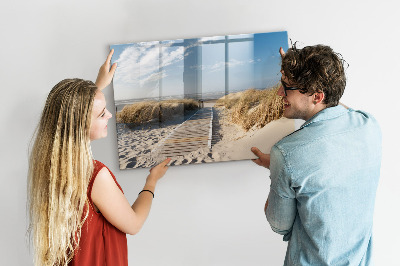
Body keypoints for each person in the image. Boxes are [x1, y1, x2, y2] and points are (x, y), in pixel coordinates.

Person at [27, 50, 171, 266]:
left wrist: (97, 86)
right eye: (102, 113)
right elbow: (134, 224)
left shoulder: (49, 164)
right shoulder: (95, 176)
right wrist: (152, 181)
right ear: (81, 124)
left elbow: (74, 113)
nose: (110, 116)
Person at [251, 44, 381, 265]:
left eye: (287, 87)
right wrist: (297, 72)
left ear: (317, 96)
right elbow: (334, 106)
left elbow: (279, 225)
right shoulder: (369, 125)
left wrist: (279, 169)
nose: (279, 92)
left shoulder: (286, 153)